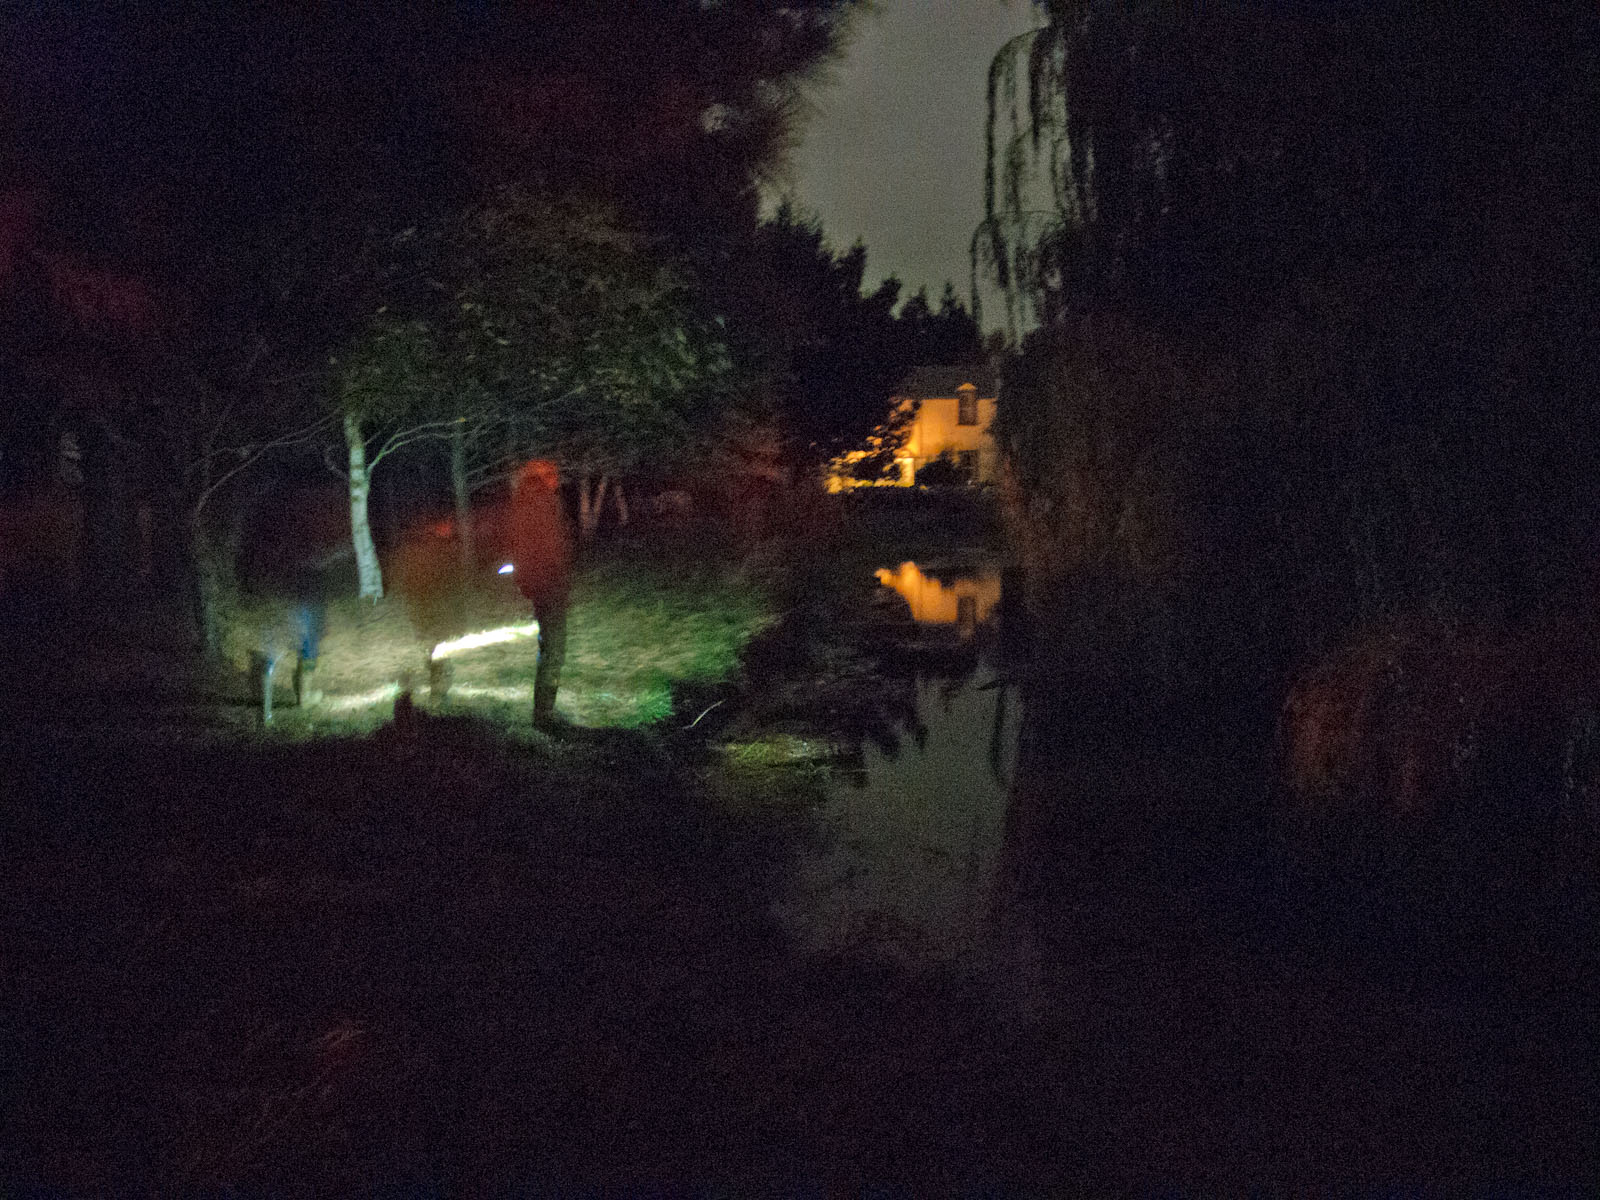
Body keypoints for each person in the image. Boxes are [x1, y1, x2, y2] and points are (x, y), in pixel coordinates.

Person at [506, 459, 575, 726]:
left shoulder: (526, 501)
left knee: (551, 646)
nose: (556, 478)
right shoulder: (541, 502)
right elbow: (550, 546)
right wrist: (555, 580)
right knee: (554, 649)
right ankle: (544, 714)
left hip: (542, 584)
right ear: (540, 476)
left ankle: (544, 710)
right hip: (549, 584)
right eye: (551, 473)